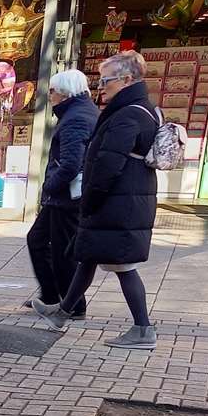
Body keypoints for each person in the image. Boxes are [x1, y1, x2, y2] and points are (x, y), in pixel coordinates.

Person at [33, 50, 159, 348]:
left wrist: (90, 198)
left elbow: (108, 163)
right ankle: (62, 313)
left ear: (127, 79)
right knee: (87, 255)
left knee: (122, 265)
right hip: (122, 198)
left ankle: (143, 329)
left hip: (118, 201)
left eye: (106, 81)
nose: (101, 87)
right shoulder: (138, 109)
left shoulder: (128, 114)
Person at [25, 69, 98, 317]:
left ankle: (73, 304)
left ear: (66, 92)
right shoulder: (78, 112)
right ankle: (50, 294)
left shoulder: (76, 118)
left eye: (53, 91)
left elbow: (70, 164)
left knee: (62, 252)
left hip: (65, 198)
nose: (50, 96)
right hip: (62, 197)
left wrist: (49, 186)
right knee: (37, 240)